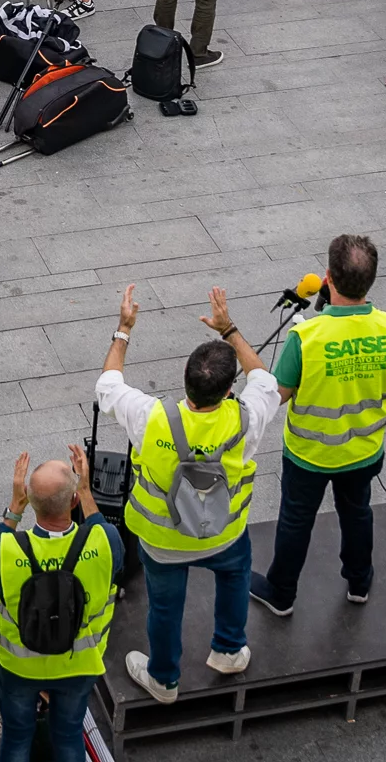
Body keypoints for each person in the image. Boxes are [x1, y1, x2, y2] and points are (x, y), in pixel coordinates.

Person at [99, 282, 278, 703]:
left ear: (185, 382)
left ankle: (163, 678)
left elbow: (107, 386)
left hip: (162, 539)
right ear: (228, 391)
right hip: (224, 532)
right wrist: (229, 329)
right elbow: (265, 378)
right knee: (235, 578)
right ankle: (228, 650)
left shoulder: (151, 417)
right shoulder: (246, 421)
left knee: (163, 607)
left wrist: (124, 329)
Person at [254, 234, 386, 612]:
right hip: (364, 451)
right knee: (357, 513)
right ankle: (359, 582)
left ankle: (282, 594)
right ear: (370, 280)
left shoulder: (305, 337)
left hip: (309, 454)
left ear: (327, 278)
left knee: (295, 521)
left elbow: (279, 394)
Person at [0, 449, 115, 762]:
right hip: (78, 664)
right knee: (68, 737)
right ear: (73, 501)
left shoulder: (6, 548)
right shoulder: (104, 541)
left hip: (19, 667)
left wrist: (14, 507)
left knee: (16, 738)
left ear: (30, 501)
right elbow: (100, 529)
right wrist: (84, 490)